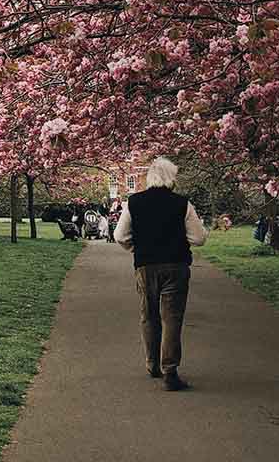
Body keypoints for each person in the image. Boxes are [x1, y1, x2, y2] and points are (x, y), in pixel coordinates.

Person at [114, 158, 207, 391]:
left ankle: (152, 363)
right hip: (176, 266)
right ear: (171, 178)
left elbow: (120, 236)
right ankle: (170, 371)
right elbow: (199, 238)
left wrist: (138, 248)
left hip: (146, 266)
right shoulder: (182, 204)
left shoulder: (134, 202)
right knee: (172, 318)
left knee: (149, 316)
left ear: (150, 178)